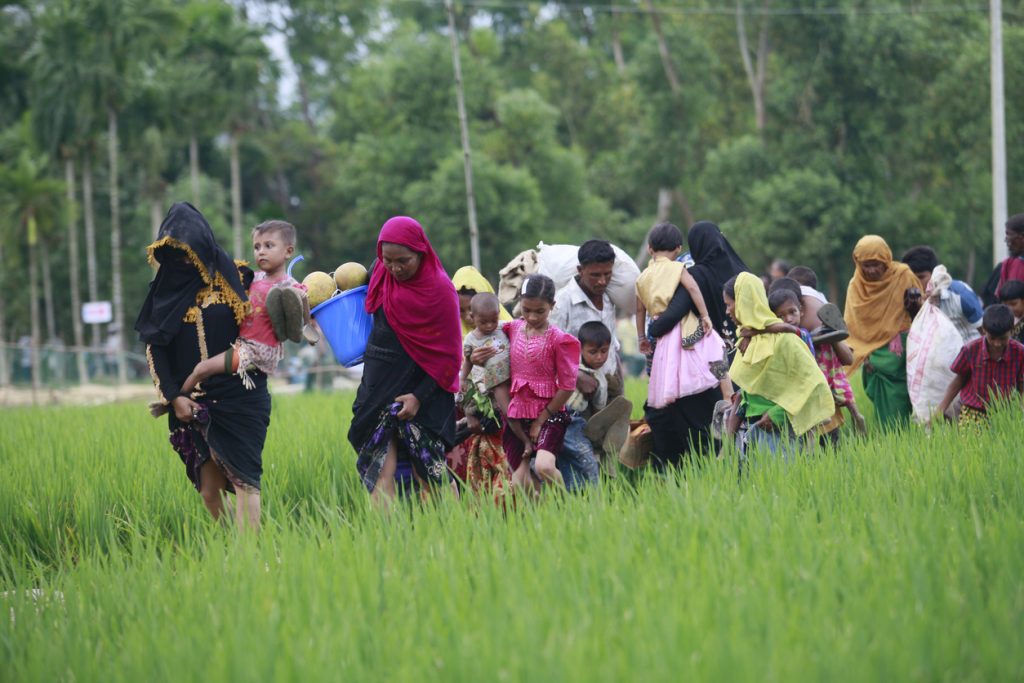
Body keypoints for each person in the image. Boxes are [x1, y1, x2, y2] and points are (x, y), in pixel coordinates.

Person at [136, 202, 270, 529]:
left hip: (240, 397)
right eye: (175, 257)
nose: (183, 263)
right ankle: (233, 549)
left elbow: (263, 330)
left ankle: (249, 557)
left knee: (242, 481)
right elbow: (156, 350)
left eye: (189, 254)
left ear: (203, 250)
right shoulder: (163, 294)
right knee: (210, 491)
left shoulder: (239, 279)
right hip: (189, 403)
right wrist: (172, 397)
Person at [349, 217, 462, 506]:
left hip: (422, 391)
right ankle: (386, 544)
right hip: (378, 386)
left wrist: (419, 397)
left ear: (421, 253)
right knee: (378, 474)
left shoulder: (440, 290)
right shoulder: (379, 274)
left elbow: (450, 356)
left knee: (431, 475)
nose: (395, 268)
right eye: (387, 260)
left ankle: (453, 538)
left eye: (404, 261)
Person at [150, 221, 314, 412]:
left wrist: (309, 329)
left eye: (269, 246)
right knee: (201, 370)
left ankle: (174, 403)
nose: (261, 251)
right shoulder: (252, 278)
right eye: (257, 247)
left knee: (201, 370)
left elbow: (304, 305)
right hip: (241, 343)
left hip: (256, 351)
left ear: (288, 251)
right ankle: (179, 400)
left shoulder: (291, 286)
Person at [640, 222, 743, 469]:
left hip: (703, 364)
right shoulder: (741, 274)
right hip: (738, 363)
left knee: (698, 430)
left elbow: (674, 313)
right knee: (734, 427)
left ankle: (687, 476)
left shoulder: (696, 274)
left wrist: (653, 329)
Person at [723, 273, 834, 461]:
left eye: (729, 304)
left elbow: (813, 384)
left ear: (743, 302)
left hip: (779, 429)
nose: (727, 311)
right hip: (753, 430)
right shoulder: (747, 340)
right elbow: (749, 391)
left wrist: (778, 413)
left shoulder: (785, 340)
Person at [635, 222, 727, 411]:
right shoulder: (678, 268)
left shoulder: (642, 277)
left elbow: (639, 310)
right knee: (715, 349)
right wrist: (705, 316)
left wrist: (641, 337)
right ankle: (727, 395)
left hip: (658, 330)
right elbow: (693, 288)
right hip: (683, 326)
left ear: (649, 248)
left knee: (665, 371)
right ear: (679, 248)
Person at [503, 274, 580, 491]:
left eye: (540, 311)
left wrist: (540, 420)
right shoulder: (512, 328)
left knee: (544, 466)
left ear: (552, 306)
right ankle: (538, 518)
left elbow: (567, 386)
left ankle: (566, 505)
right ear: (520, 303)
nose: (533, 317)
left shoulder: (558, 339)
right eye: (526, 310)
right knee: (519, 482)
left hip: (549, 414)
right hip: (518, 414)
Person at [844, 235, 922, 428]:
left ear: (886, 260)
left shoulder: (903, 275)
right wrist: (865, 355)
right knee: (885, 407)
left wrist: (914, 304)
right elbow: (853, 326)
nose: (871, 270)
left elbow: (922, 313)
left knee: (909, 398)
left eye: (876, 264)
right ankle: (892, 439)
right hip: (873, 356)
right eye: (866, 265)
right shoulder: (856, 286)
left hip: (901, 349)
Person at [787, 265, 866, 436]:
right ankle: (854, 414)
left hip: (813, 358)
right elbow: (847, 359)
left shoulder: (795, 300)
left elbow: (847, 358)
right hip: (827, 355)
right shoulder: (821, 301)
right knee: (838, 384)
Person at [550, 240, 621, 391]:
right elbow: (549, 349)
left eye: (607, 274)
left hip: (608, 384)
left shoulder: (609, 298)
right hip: (575, 392)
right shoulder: (563, 302)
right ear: (580, 270)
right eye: (595, 275)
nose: (602, 281)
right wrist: (578, 377)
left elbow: (612, 344)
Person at [936, 304, 1024, 424]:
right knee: (972, 442)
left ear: (1012, 331)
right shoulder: (971, 350)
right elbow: (958, 381)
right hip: (973, 411)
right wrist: (941, 409)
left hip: (1004, 413)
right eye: (992, 338)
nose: (997, 344)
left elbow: (1021, 384)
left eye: (1003, 338)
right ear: (983, 330)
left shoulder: (1019, 353)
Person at [556, 320, 608, 492]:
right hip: (555, 415)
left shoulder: (601, 380)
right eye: (593, 352)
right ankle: (594, 496)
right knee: (584, 459)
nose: (599, 357)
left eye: (604, 351)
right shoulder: (569, 362)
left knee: (582, 459)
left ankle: (585, 500)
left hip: (573, 421)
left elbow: (599, 410)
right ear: (580, 349)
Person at [901, 246, 982, 343]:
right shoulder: (910, 301)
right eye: (912, 278)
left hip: (970, 353)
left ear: (934, 273)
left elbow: (984, 331)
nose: (917, 283)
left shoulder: (960, 294)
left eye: (921, 277)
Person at [452, 265, 513, 336]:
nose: (468, 317)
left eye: (471, 309)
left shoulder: (510, 330)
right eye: (461, 311)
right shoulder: (450, 333)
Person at [997, 214, 1024, 296]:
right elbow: (1001, 299)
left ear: (1022, 237)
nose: (1006, 239)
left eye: (1009, 234)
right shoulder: (1008, 264)